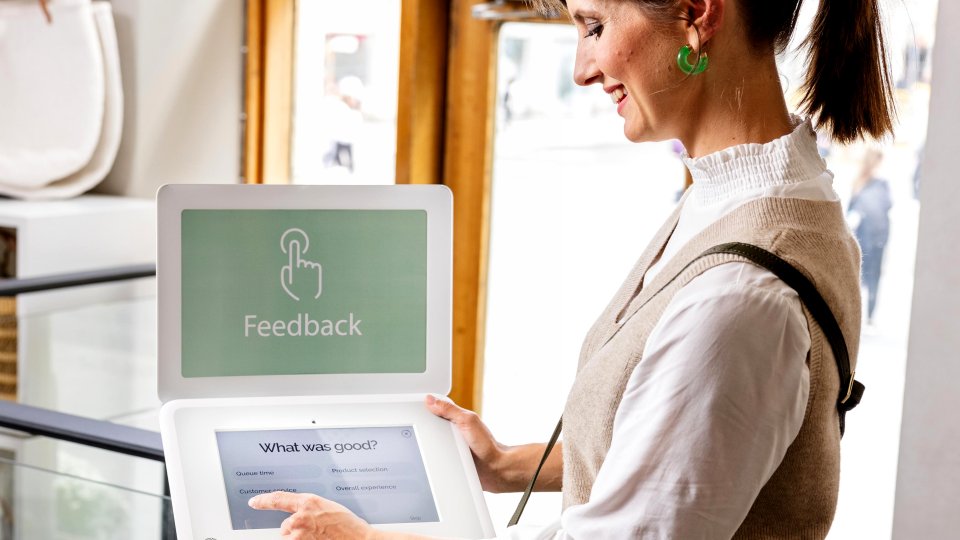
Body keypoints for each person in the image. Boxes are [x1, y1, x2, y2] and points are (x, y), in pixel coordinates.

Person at [248, 0, 894, 537]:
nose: (583, 69)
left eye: (594, 27)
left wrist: (368, 539)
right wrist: (510, 465)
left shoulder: (743, 295)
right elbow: (695, 456)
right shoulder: (756, 198)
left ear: (697, 14)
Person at [848, 150, 892, 325]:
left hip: (867, 238)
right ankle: (867, 317)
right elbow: (887, 206)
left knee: (862, 277)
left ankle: (864, 316)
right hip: (873, 239)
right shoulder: (878, 184)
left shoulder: (862, 183)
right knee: (870, 277)